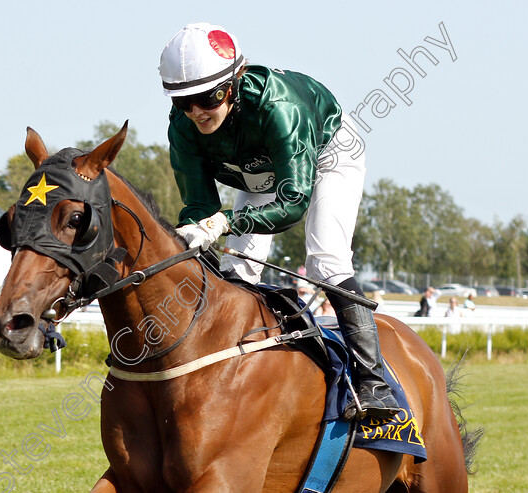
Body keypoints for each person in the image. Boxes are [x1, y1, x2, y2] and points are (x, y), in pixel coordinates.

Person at [158, 23, 397, 419]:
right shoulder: (184, 127)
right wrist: (199, 230)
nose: (197, 111)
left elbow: (292, 201)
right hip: (258, 169)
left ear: (233, 83)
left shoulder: (279, 109)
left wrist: (227, 222)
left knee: (326, 259)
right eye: (185, 102)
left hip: (326, 150)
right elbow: (199, 207)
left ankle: (373, 383)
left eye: (208, 97)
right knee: (237, 268)